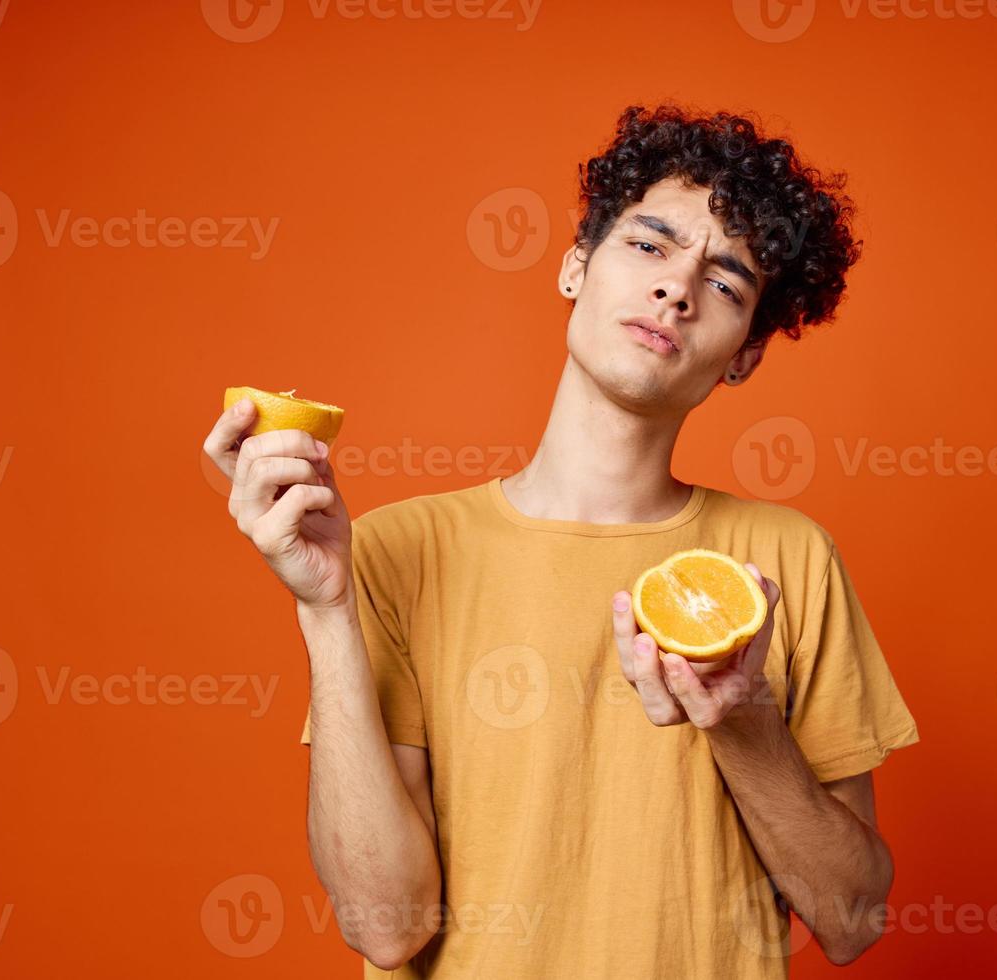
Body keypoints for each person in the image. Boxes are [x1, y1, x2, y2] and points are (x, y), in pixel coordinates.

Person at [202, 103, 918, 978]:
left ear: (745, 356)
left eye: (726, 284)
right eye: (649, 246)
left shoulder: (787, 563)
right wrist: (325, 610)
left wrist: (744, 718)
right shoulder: (393, 554)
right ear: (576, 265)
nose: (676, 290)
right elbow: (387, 926)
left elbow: (852, 920)